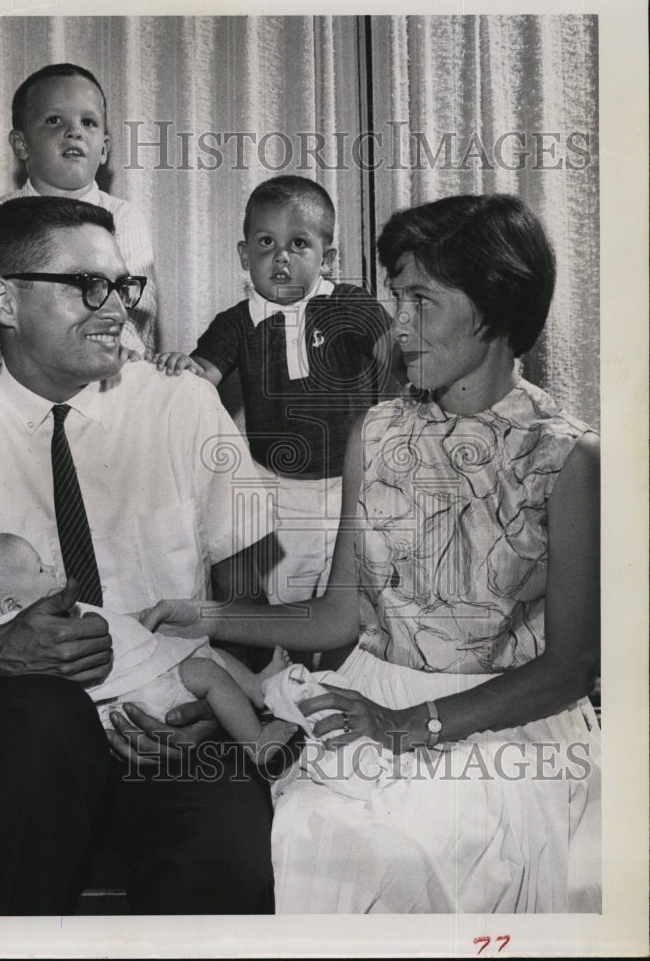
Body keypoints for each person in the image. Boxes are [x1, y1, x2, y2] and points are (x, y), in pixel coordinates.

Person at [147, 193, 602, 913]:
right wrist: (197, 614)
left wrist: (405, 729)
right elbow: (337, 615)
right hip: (369, 700)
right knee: (306, 838)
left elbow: (571, 668)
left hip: (500, 730)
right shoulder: (378, 432)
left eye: (420, 298)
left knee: (399, 851)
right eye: (395, 296)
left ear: (495, 304)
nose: (398, 322)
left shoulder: (568, 458)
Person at [0, 195, 276, 915]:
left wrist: (209, 704)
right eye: (87, 287)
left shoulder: (183, 406)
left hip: (177, 719)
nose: (118, 311)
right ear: (4, 300)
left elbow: (251, 591)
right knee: (36, 722)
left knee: (230, 866)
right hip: (29, 735)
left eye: (123, 286)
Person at [154, 175, 396, 605]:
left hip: (359, 485)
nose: (281, 257)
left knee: (365, 597)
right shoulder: (236, 321)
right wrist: (181, 367)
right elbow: (203, 374)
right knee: (287, 597)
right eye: (266, 242)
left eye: (299, 244)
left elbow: (400, 358)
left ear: (328, 258)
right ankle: (287, 668)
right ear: (245, 255)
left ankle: (351, 668)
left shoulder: (351, 304)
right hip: (279, 491)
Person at [0, 533, 296, 767]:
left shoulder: (36, 619)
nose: (53, 569)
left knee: (202, 650)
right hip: (136, 697)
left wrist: (141, 621)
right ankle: (258, 740)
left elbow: (109, 628)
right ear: (11, 603)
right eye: (41, 568)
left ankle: (257, 689)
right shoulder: (35, 627)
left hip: (116, 706)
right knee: (208, 669)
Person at [0, 63, 157, 373]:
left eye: (88, 122)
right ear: (22, 144)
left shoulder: (124, 217)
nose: (74, 131)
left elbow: (139, 302)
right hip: (18, 371)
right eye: (54, 120)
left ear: (103, 149)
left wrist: (123, 349)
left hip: (105, 367)